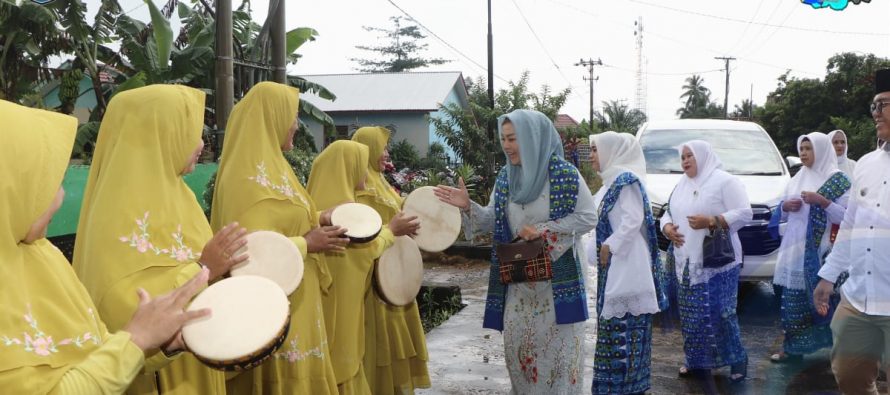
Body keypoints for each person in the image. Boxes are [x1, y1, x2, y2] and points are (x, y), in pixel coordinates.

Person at [0, 100, 213, 394]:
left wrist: (157, 343)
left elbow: (102, 349)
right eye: (45, 182)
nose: (60, 197)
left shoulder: (42, 254)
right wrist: (137, 339)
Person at [72, 85, 249, 394]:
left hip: (193, 355)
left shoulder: (180, 193)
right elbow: (119, 308)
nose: (200, 143)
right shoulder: (116, 211)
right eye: (191, 131)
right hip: (159, 373)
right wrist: (203, 268)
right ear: (159, 136)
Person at [436, 109, 597, 393]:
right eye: (503, 139)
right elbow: (492, 220)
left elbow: (587, 217)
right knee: (520, 356)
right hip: (519, 284)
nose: (506, 145)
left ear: (533, 138)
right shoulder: (506, 178)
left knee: (557, 361)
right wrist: (467, 205)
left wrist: (543, 230)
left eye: (513, 138)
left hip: (556, 285)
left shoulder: (565, 175)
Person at [209, 82, 343, 394]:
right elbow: (249, 251)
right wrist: (306, 244)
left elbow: (284, 220)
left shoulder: (276, 168)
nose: (296, 124)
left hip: (299, 290)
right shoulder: (244, 179)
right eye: (292, 116)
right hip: (272, 300)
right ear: (273, 118)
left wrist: (319, 217)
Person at [307, 140, 419, 394]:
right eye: (361, 165)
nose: (365, 172)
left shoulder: (333, 204)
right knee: (342, 363)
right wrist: (391, 232)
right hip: (339, 301)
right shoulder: (341, 210)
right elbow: (361, 252)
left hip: (342, 299)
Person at [814, 68, 890, 395]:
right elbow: (850, 225)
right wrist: (828, 276)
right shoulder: (867, 165)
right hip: (858, 300)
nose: (875, 113)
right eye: (874, 106)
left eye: (884, 104)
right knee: (850, 378)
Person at [660, 140, 752, 382]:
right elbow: (667, 212)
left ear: (703, 156)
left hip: (718, 263)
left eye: (690, 156)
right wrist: (667, 227)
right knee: (692, 316)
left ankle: (737, 361)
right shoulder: (681, 184)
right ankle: (696, 361)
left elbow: (745, 213)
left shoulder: (725, 181)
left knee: (722, 314)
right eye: (683, 157)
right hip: (686, 260)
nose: (686, 161)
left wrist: (713, 220)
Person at [351, 126, 431, 394]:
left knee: (395, 342)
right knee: (380, 343)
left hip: (396, 275)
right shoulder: (361, 186)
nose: (386, 153)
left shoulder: (380, 181)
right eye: (381, 147)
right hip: (376, 281)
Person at [587, 131, 668, 394]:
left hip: (629, 265)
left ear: (613, 151)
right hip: (614, 266)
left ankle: (628, 388)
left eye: (595, 150)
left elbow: (633, 220)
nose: (591, 156)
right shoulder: (608, 185)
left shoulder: (626, 182)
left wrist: (610, 244)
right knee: (613, 329)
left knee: (625, 329)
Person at [768, 132, 851, 363]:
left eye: (808, 148)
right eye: (801, 149)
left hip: (822, 250)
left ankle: (839, 350)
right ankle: (792, 348)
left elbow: (847, 217)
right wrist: (785, 206)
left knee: (829, 302)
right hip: (794, 250)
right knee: (792, 300)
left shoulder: (839, 180)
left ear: (822, 150)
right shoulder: (796, 179)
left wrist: (822, 202)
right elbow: (781, 210)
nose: (803, 153)